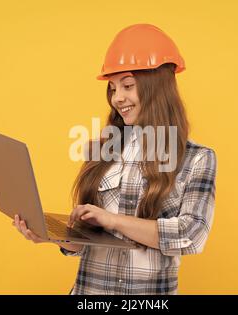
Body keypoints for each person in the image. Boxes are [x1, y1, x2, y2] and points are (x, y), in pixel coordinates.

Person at [12, 23, 217, 295]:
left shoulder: (197, 159)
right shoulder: (103, 150)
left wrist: (113, 220)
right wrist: (53, 236)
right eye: (112, 88)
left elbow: (191, 235)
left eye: (128, 85)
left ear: (158, 86)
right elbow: (86, 240)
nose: (117, 98)